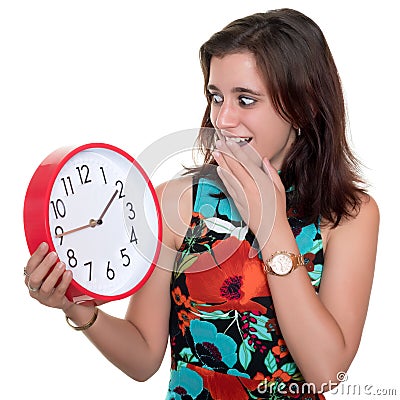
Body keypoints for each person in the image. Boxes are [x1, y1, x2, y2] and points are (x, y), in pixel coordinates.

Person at [24, 8, 379, 400]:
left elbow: (326, 372)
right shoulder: (179, 201)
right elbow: (143, 357)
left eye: (245, 100)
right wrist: (76, 307)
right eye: (216, 97)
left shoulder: (349, 216)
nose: (223, 119)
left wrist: (271, 225)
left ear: (304, 105)